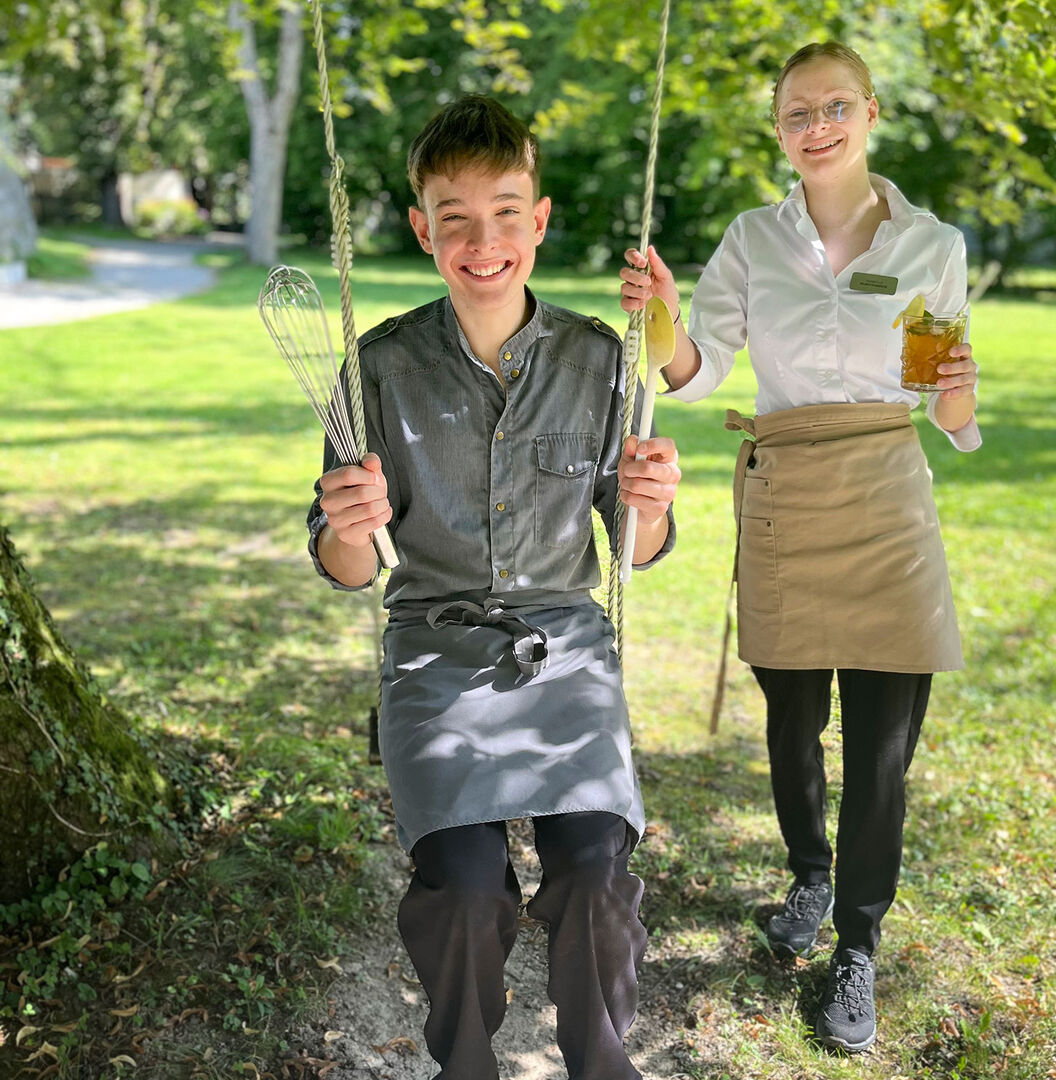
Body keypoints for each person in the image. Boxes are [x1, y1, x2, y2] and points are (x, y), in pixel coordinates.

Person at [306, 95, 679, 1080]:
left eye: (505, 211)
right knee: (466, 886)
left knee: (595, 871)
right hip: (433, 649)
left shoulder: (601, 361)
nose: (483, 240)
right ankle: (463, 1064)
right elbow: (345, 567)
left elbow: (636, 548)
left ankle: (602, 1063)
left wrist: (653, 500)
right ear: (423, 228)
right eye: (455, 216)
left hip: (564, 645)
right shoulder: (375, 367)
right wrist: (352, 526)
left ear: (539, 219)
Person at [619, 41, 979, 1053]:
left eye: (832, 108)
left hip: (883, 489)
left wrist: (957, 394)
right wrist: (661, 320)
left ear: (868, 115)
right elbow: (695, 371)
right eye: (793, 114)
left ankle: (855, 944)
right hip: (783, 486)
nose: (813, 127)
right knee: (790, 717)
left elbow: (934, 395)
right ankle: (809, 876)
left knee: (878, 743)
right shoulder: (750, 239)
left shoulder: (928, 244)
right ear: (776, 130)